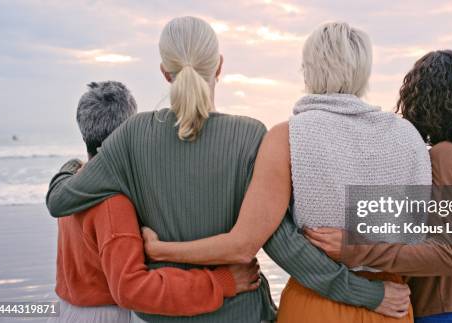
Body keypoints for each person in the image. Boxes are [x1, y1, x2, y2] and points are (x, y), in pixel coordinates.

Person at [46, 17, 399, 323]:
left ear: (164, 72)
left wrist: (70, 167)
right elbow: (285, 245)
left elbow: (61, 201)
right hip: (241, 312)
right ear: (218, 66)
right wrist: (366, 293)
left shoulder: (132, 135)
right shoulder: (250, 135)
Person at [141, 22, 432, 323]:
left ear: (307, 70)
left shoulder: (286, 137)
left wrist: (159, 250)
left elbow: (248, 241)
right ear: (365, 71)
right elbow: (426, 240)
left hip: (313, 303)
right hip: (391, 302)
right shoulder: (407, 136)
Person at [302, 50, 452, 323]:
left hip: (445, 310)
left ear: (423, 101)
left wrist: (355, 248)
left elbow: (449, 255)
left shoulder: (444, 156)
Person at [50, 81, 261, 323]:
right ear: (127, 133)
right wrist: (221, 283)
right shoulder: (111, 202)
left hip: (66, 310)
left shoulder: (75, 185)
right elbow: (132, 289)